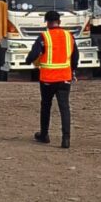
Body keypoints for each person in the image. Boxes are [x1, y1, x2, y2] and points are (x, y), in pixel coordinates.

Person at [24, 10, 78, 148]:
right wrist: (72, 71)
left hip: (48, 79)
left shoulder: (44, 37)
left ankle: (44, 135)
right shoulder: (69, 36)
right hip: (65, 78)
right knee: (64, 107)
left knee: (46, 106)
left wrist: (28, 61)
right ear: (59, 22)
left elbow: (34, 54)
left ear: (47, 23)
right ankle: (66, 139)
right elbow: (75, 57)